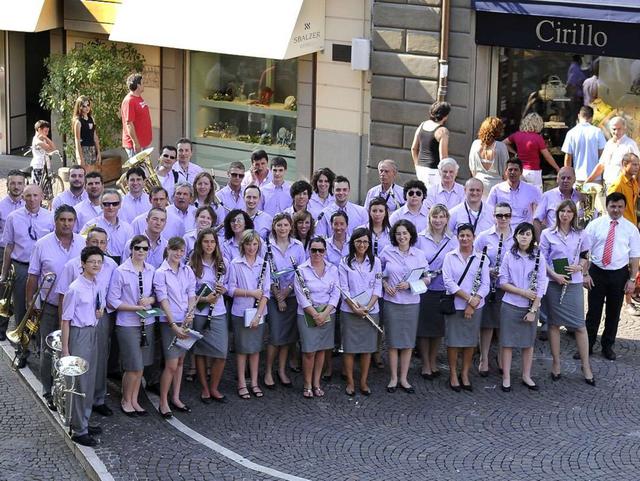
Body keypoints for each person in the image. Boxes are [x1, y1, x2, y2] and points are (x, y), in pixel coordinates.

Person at [57, 227, 118, 418]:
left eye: (102, 242)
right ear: (86, 244)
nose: (99, 246)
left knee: (95, 366)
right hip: (78, 326)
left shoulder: (108, 268)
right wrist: (64, 344)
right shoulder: (73, 271)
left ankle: (92, 405)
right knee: (80, 371)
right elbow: (64, 303)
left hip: (96, 321)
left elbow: (107, 296)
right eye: (95, 242)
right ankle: (77, 417)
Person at [28, 205, 84, 407]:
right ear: (55, 221)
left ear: (75, 222)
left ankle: (70, 390)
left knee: (72, 350)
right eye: (63, 220)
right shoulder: (42, 244)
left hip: (78, 309)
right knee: (49, 349)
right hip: (51, 307)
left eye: (70, 220)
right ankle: (48, 390)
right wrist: (31, 302)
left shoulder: (83, 243)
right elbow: (33, 276)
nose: (67, 224)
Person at [539, 200, 594, 385]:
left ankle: (586, 365)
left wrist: (580, 266)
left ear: (573, 215)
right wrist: (554, 275)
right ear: (557, 213)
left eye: (569, 212)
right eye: (562, 211)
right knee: (554, 325)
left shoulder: (581, 234)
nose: (565, 215)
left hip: (574, 283)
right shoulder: (547, 234)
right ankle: (556, 363)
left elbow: (586, 256)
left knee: (579, 325)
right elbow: (541, 259)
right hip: (554, 284)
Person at [585, 192, 640, 360]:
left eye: (619, 207)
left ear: (624, 207)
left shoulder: (631, 229)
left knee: (614, 312)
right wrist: (585, 274)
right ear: (607, 206)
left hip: (619, 274)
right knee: (593, 311)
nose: (616, 210)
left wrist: (632, 280)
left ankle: (608, 346)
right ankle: (587, 345)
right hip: (597, 272)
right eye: (613, 206)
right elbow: (584, 251)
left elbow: (635, 257)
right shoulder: (595, 225)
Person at [60, 245, 106, 447]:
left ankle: (84, 420)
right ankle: (78, 429)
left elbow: (96, 308)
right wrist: (65, 350)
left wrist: (99, 314)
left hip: (92, 332)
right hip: (79, 335)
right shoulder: (75, 288)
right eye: (92, 262)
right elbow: (65, 320)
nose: (96, 265)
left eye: (99, 262)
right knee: (79, 383)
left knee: (90, 379)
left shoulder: (96, 283)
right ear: (83, 264)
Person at [1, 185, 54, 356]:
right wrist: (4, 273)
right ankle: (21, 350)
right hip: (22, 267)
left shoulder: (50, 217)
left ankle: (40, 346)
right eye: (28, 196)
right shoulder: (13, 217)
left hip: (44, 270)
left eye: (35, 195)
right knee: (22, 309)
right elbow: (8, 247)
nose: (32, 199)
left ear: (42, 197)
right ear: (23, 198)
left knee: (41, 309)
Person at [108, 234, 156, 416]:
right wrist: (135, 307)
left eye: (145, 248)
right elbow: (112, 300)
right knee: (132, 365)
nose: (141, 251)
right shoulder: (121, 271)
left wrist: (149, 299)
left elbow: (155, 295)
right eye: (138, 248)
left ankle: (135, 399)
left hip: (147, 322)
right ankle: (125, 399)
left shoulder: (151, 270)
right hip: (127, 324)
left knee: (141, 365)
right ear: (131, 249)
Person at [380, 219, 430, 394]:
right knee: (393, 342)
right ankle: (393, 377)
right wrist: (385, 286)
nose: (402, 236)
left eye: (405, 233)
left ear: (411, 235)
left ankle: (404, 378)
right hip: (392, 302)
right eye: (398, 233)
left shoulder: (419, 255)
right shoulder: (387, 252)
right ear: (394, 235)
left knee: (408, 342)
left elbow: (427, 277)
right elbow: (378, 274)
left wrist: (410, 284)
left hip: (411, 303)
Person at [498, 222, 549, 392]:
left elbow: (541, 284)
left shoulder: (538, 257)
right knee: (507, 343)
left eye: (528, 234)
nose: (524, 237)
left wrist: (534, 310)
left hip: (530, 307)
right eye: (521, 233)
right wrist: (523, 292)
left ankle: (526, 375)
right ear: (516, 236)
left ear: (532, 237)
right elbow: (502, 282)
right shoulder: (508, 255)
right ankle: (506, 377)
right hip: (511, 304)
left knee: (528, 343)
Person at [442, 223, 490, 391]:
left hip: (475, 306)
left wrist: (473, 302)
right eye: (462, 235)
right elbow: (448, 282)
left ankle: (465, 373)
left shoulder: (482, 258)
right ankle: (453, 374)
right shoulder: (450, 257)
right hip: (455, 305)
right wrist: (468, 298)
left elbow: (485, 284)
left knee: (470, 342)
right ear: (457, 237)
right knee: (453, 342)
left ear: (474, 237)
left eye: (468, 235)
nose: (465, 238)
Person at [154, 237, 197, 418]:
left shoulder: (187, 270)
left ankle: (176, 397)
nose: (179, 253)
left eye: (181, 250)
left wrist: (191, 314)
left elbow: (191, 294)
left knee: (180, 362)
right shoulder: (160, 273)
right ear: (168, 250)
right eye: (175, 250)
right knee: (171, 364)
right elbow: (162, 299)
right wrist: (173, 324)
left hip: (186, 320)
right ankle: (163, 401)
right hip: (169, 323)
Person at [292, 236, 340, 398]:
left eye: (321, 250)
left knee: (321, 351)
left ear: (325, 251)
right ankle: (307, 384)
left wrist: (325, 313)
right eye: (314, 250)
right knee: (309, 352)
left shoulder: (333, 269)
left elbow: (336, 292)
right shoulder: (301, 269)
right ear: (309, 251)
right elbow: (300, 296)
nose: (317, 253)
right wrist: (315, 314)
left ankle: (316, 382)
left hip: (327, 314)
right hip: (307, 315)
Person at [338, 228, 382, 396]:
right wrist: (354, 308)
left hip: (370, 310)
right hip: (350, 311)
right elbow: (343, 288)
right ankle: (350, 381)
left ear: (369, 244)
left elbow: (378, 287)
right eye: (358, 242)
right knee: (349, 348)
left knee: (367, 348)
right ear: (353, 243)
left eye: (365, 242)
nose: (362, 245)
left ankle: (363, 381)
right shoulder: (344, 262)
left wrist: (368, 307)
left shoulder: (375, 262)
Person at [263, 213, 305, 389]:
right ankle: (268, 371)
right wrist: (277, 295)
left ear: (290, 227)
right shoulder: (267, 246)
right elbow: (265, 271)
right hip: (273, 297)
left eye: (286, 225)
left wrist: (286, 293)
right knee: (275, 336)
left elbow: (301, 271)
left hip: (292, 296)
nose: (282, 228)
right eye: (279, 225)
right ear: (274, 226)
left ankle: (281, 370)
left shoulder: (298, 246)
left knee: (287, 337)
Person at [416, 204, 457, 379]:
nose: (438, 220)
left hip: (444, 288)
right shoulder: (420, 238)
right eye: (435, 216)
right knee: (424, 328)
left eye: (441, 217)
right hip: (425, 288)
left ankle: (433, 361)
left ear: (447, 219)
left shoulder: (452, 240)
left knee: (438, 328)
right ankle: (425, 363)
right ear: (429, 218)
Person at [228, 230, 270, 400]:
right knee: (242, 349)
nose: (251, 248)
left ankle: (254, 382)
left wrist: (258, 316)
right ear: (242, 245)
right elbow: (230, 290)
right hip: (240, 312)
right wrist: (251, 293)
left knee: (255, 349)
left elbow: (266, 292)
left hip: (258, 313)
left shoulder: (263, 264)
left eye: (255, 244)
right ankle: (241, 383)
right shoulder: (235, 263)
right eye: (248, 244)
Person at [189, 228, 229, 403]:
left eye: (212, 242)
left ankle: (214, 387)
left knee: (221, 352)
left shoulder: (223, 262)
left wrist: (224, 290)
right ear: (200, 243)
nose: (209, 245)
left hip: (218, 311)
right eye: (206, 241)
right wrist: (205, 298)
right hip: (199, 312)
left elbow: (230, 285)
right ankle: (205, 388)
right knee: (200, 351)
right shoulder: (192, 264)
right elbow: (187, 292)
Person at [474, 203, 514, 376]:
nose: (503, 219)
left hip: (510, 287)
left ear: (511, 216)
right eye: (499, 215)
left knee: (504, 324)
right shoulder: (484, 237)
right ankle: (484, 358)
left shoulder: (516, 237)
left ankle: (500, 357)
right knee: (487, 324)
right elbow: (474, 259)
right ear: (494, 216)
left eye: (506, 215)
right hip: (489, 287)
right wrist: (487, 270)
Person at [504, 113, 561, 189]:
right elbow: (547, 156)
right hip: (534, 171)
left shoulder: (517, 135)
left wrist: (514, 152)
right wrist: (557, 168)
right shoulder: (538, 138)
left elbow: (503, 143)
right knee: (536, 196)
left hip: (520, 170)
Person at [0, 170, 25, 340]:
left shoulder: (30, 203)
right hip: (4, 252)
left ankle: (22, 331)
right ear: (7, 185)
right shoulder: (1, 206)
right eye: (13, 183)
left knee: (22, 294)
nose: (16, 187)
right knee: (3, 291)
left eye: (19, 183)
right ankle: (1, 328)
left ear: (24, 185)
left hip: (23, 253)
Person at [487, 158, 542, 228]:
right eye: (510, 170)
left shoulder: (532, 190)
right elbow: (489, 211)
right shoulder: (496, 190)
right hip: (503, 230)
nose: (512, 172)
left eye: (516, 170)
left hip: (524, 232)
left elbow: (541, 210)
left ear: (521, 172)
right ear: (505, 172)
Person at [82, 189, 133, 263]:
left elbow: (130, 252)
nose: (111, 207)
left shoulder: (128, 229)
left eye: (115, 204)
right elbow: (81, 246)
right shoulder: (90, 226)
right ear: (101, 205)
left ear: (120, 205)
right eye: (107, 204)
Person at [586, 117, 640, 187]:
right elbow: (601, 165)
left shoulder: (630, 144)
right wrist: (587, 181)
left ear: (624, 128)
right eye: (614, 129)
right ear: (610, 129)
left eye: (619, 129)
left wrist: (635, 188)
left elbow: (638, 167)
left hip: (624, 187)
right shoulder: (609, 144)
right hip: (608, 185)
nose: (616, 132)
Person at [411, 101, 451, 189]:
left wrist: (416, 166)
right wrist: (447, 175)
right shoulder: (443, 131)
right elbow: (443, 157)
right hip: (434, 172)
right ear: (445, 116)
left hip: (421, 169)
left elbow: (414, 148)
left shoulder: (422, 125)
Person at [533, 167, 582, 238]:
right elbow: (536, 220)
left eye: (569, 178)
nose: (566, 180)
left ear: (574, 180)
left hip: (576, 242)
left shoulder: (580, 197)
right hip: (553, 241)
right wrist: (539, 243)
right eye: (563, 178)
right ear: (557, 179)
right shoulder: (547, 196)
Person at [562, 106, 606, 182]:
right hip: (595, 177)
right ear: (592, 118)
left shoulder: (571, 133)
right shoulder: (597, 132)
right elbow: (603, 156)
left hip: (577, 177)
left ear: (578, 115)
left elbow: (568, 158)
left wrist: (568, 177)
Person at [468, 116, 509, 194]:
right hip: (497, 187)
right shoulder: (501, 147)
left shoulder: (475, 144)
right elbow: (505, 173)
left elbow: (472, 170)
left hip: (478, 185)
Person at [121, 73, 152, 157]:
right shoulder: (129, 101)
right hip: (136, 146)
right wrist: (136, 143)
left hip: (144, 143)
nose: (144, 84)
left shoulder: (138, 97)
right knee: (137, 170)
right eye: (143, 83)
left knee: (144, 169)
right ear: (138, 85)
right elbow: (129, 124)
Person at [607, 153, 639, 226]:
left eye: (638, 164)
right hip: (621, 226)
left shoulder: (634, 183)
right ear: (625, 164)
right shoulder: (617, 185)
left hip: (633, 224)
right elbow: (611, 209)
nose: (637, 167)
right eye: (634, 164)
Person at [72, 95, 101, 169]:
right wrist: (81, 158)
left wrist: (99, 152)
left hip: (92, 148)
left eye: (88, 105)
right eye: (84, 106)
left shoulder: (92, 118)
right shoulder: (78, 122)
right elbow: (77, 141)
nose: (87, 108)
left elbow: (95, 136)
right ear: (80, 107)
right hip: (83, 149)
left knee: (92, 173)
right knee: (85, 173)